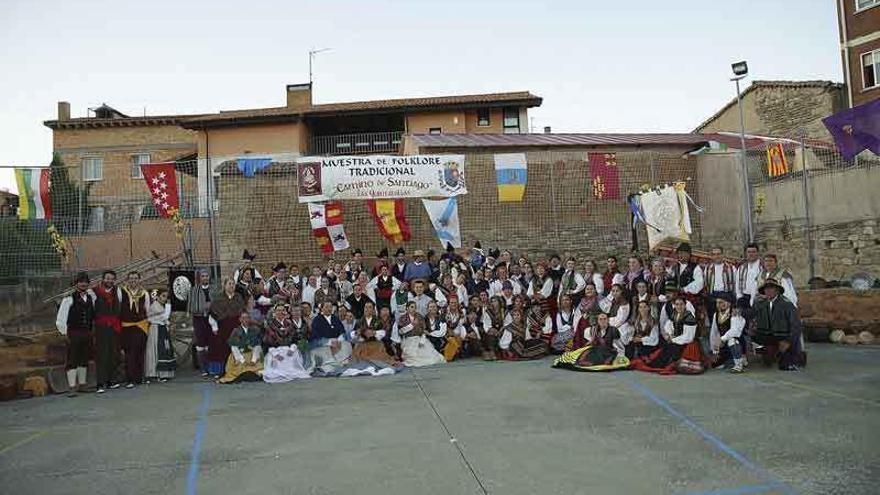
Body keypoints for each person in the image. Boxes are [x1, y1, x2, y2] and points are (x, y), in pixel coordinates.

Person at [631, 295, 704, 374]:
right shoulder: (675, 314)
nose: (679, 306)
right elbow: (668, 325)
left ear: (685, 305)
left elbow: (689, 337)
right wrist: (670, 334)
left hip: (687, 343)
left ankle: (665, 364)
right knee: (665, 348)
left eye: (681, 304)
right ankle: (658, 363)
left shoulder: (689, 317)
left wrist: (673, 339)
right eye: (677, 304)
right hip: (677, 340)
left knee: (670, 349)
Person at [55, 272, 95, 397]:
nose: (83, 284)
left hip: (86, 332)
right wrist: (64, 332)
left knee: (84, 358)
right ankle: (72, 387)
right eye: (80, 282)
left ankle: (82, 384)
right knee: (72, 358)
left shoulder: (90, 298)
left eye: (85, 282)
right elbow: (61, 317)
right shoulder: (68, 299)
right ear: (76, 284)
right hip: (73, 332)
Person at [753, 279, 804, 371]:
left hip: (783, 336)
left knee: (785, 366)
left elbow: (796, 326)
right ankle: (770, 352)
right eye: (766, 288)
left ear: (777, 290)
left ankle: (794, 356)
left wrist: (788, 341)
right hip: (767, 336)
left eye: (771, 288)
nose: (768, 291)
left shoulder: (787, 305)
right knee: (767, 360)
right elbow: (754, 320)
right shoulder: (760, 305)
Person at [553, 312, 629, 372]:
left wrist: (620, 356)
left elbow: (619, 345)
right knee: (581, 359)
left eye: (604, 319)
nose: (603, 321)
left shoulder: (613, 330)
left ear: (608, 320)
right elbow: (590, 342)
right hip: (596, 350)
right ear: (598, 321)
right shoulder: (593, 330)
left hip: (608, 351)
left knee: (602, 359)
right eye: (600, 319)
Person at [207, 278, 246, 378]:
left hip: (236, 326)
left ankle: (237, 370)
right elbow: (212, 314)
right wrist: (214, 327)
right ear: (224, 286)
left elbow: (242, 312)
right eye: (229, 284)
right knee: (223, 349)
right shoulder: (218, 299)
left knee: (237, 348)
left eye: (233, 284)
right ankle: (223, 371)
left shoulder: (238, 297)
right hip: (223, 327)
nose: (231, 286)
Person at [262, 304, 311, 383]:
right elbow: (267, 342)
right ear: (274, 313)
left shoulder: (289, 324)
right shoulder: (270, 325)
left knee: (294, 355)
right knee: (277, 364)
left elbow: (294, 339)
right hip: (275, 350)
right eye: (278, 310)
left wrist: (292, 349)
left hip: (288, 349)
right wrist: (275, 353)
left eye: (283, 310)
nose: (281, 312)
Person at [119, 271, 151, 389]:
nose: (133, 280)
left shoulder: (144, 293)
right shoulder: (121, 292)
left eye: (135, 278)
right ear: (127, 280)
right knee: (129, 353)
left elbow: (147, 310)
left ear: (139, 280)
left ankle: (139, 377)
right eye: (131, 278)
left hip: (140, 326)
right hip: (127, 326)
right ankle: (129, 379)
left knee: (140, 352)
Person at [92, 270, 122, 393]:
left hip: (113, 326)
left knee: (113, 353)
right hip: (101, 327)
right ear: (103, 279)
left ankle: (112, 381)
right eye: (107, 278)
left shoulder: (117, 291)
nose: (109, 281)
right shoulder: (94, 292)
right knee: (102, 354)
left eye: (112, 279)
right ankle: (100, 383)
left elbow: (119, 307)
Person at [395, 301, 446, 367]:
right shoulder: (403, 318)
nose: (413, 309)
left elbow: (423, 330)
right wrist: (411, 325)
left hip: (419, 338)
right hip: (408, 340)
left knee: (430, 355)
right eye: (411, 307)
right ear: (407, 308)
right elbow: (401, 331)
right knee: (413, 357)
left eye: (415, 307)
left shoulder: (419, 317)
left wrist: (422, 340)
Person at [308, 302, 352, 376]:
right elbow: (315, 335)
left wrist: (339, 339)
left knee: (346, 344)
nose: (329, 309)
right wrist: (328, 342)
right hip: (323, 344)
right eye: (327, 307)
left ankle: (338, 365)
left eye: (330, 307)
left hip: (337, 343)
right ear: (322, 309)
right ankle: (325, 368)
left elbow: (342, 331)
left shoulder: (335, 319)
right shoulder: (317, 320)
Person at [219, 311, 263, 383]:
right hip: (240, 354)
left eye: (247, 318)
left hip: (252, 353)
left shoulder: (255, 330)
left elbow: (257, 345)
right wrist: (241, 359)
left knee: (257, 366)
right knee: (239, 369)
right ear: (240, 320)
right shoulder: (236, 331)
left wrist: (254, 359)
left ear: (249, 319)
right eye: (243, 318)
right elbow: (234, 346)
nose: (245, 320)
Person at [351, 301, 398, 366]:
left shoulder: (378, 321)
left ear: (373, 310)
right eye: (366, 307)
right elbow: (353, 334)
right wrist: (357, 333)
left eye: (370, 307)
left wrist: (375, 333)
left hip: (375, 345)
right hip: (362, 345)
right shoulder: (359, 321)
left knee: (380, 358)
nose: (367, 309)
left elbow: (383, 333)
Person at [709, 292, 746, 373]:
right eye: (717, 303)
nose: (718, 305)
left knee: (732, 340)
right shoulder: (716, 314)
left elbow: (735, 331)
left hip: (737, 341)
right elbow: (714, 332)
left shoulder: (735, 313)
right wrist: (714, 350)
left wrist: (722, 339)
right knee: (715, 365)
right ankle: (730, 357)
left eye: (721, 302)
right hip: (722, 343)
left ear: (728, 303)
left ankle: (739, 364)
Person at [145, 289, 175, 383]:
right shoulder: (155, 306)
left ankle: (164, 373)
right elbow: (164, 317)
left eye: (166, 296)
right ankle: (153, 373)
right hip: (156, 329)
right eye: (163, 296)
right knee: (156, 349)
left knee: (164, 349)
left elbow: (165, 318)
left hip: (162, 329)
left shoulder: (162, 306)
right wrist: (168, 307)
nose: (164, 298)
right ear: (157, 297)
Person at [188, 269, 213, 377]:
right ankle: (203, 368)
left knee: (211, 343)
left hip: (212, 319)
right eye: (203, 276)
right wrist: (204, 307)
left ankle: (211, 366)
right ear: (199, 278)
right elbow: (191, 306)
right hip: (199, 320)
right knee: (201, 343)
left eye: (207, 276)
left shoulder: (214, 290)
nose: (205, 278)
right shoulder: (193, 290)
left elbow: (218, 303)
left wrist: (211, 306)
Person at [704, 247, 736, 323]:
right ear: (712, 256)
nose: (716, 256)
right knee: (713, 318)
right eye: (714, 254)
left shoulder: (731, 268)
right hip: (712, 295)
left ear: (723, 255)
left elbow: (735, 283)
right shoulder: (708, 268)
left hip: (726, 295)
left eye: (718, 254)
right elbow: (705, 283)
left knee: (726, 319)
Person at [735, 243, 763, 308]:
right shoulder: (741, 268)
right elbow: (737, 283)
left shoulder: (762, 267)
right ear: (746, 253)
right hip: (744, 298)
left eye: (753, 252)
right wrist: (739, 297)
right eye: (749, 252)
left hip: (759, 298)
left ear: (757, 253)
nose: (751, 254)